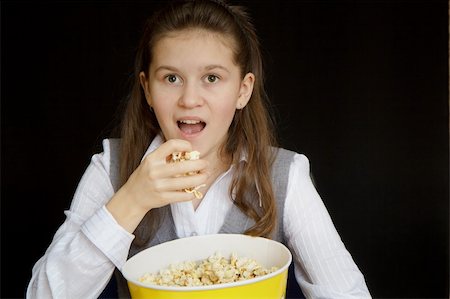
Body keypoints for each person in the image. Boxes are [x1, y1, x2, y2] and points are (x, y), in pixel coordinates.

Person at [26, 0, 371, 298]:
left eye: (212, 78)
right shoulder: (110, 169)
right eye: (171, 78)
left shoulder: (286, 175)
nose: (190, 100)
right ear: (147, 89)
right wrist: (132, 199)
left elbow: (346, 292)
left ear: (243, 90)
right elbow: (44, 295)